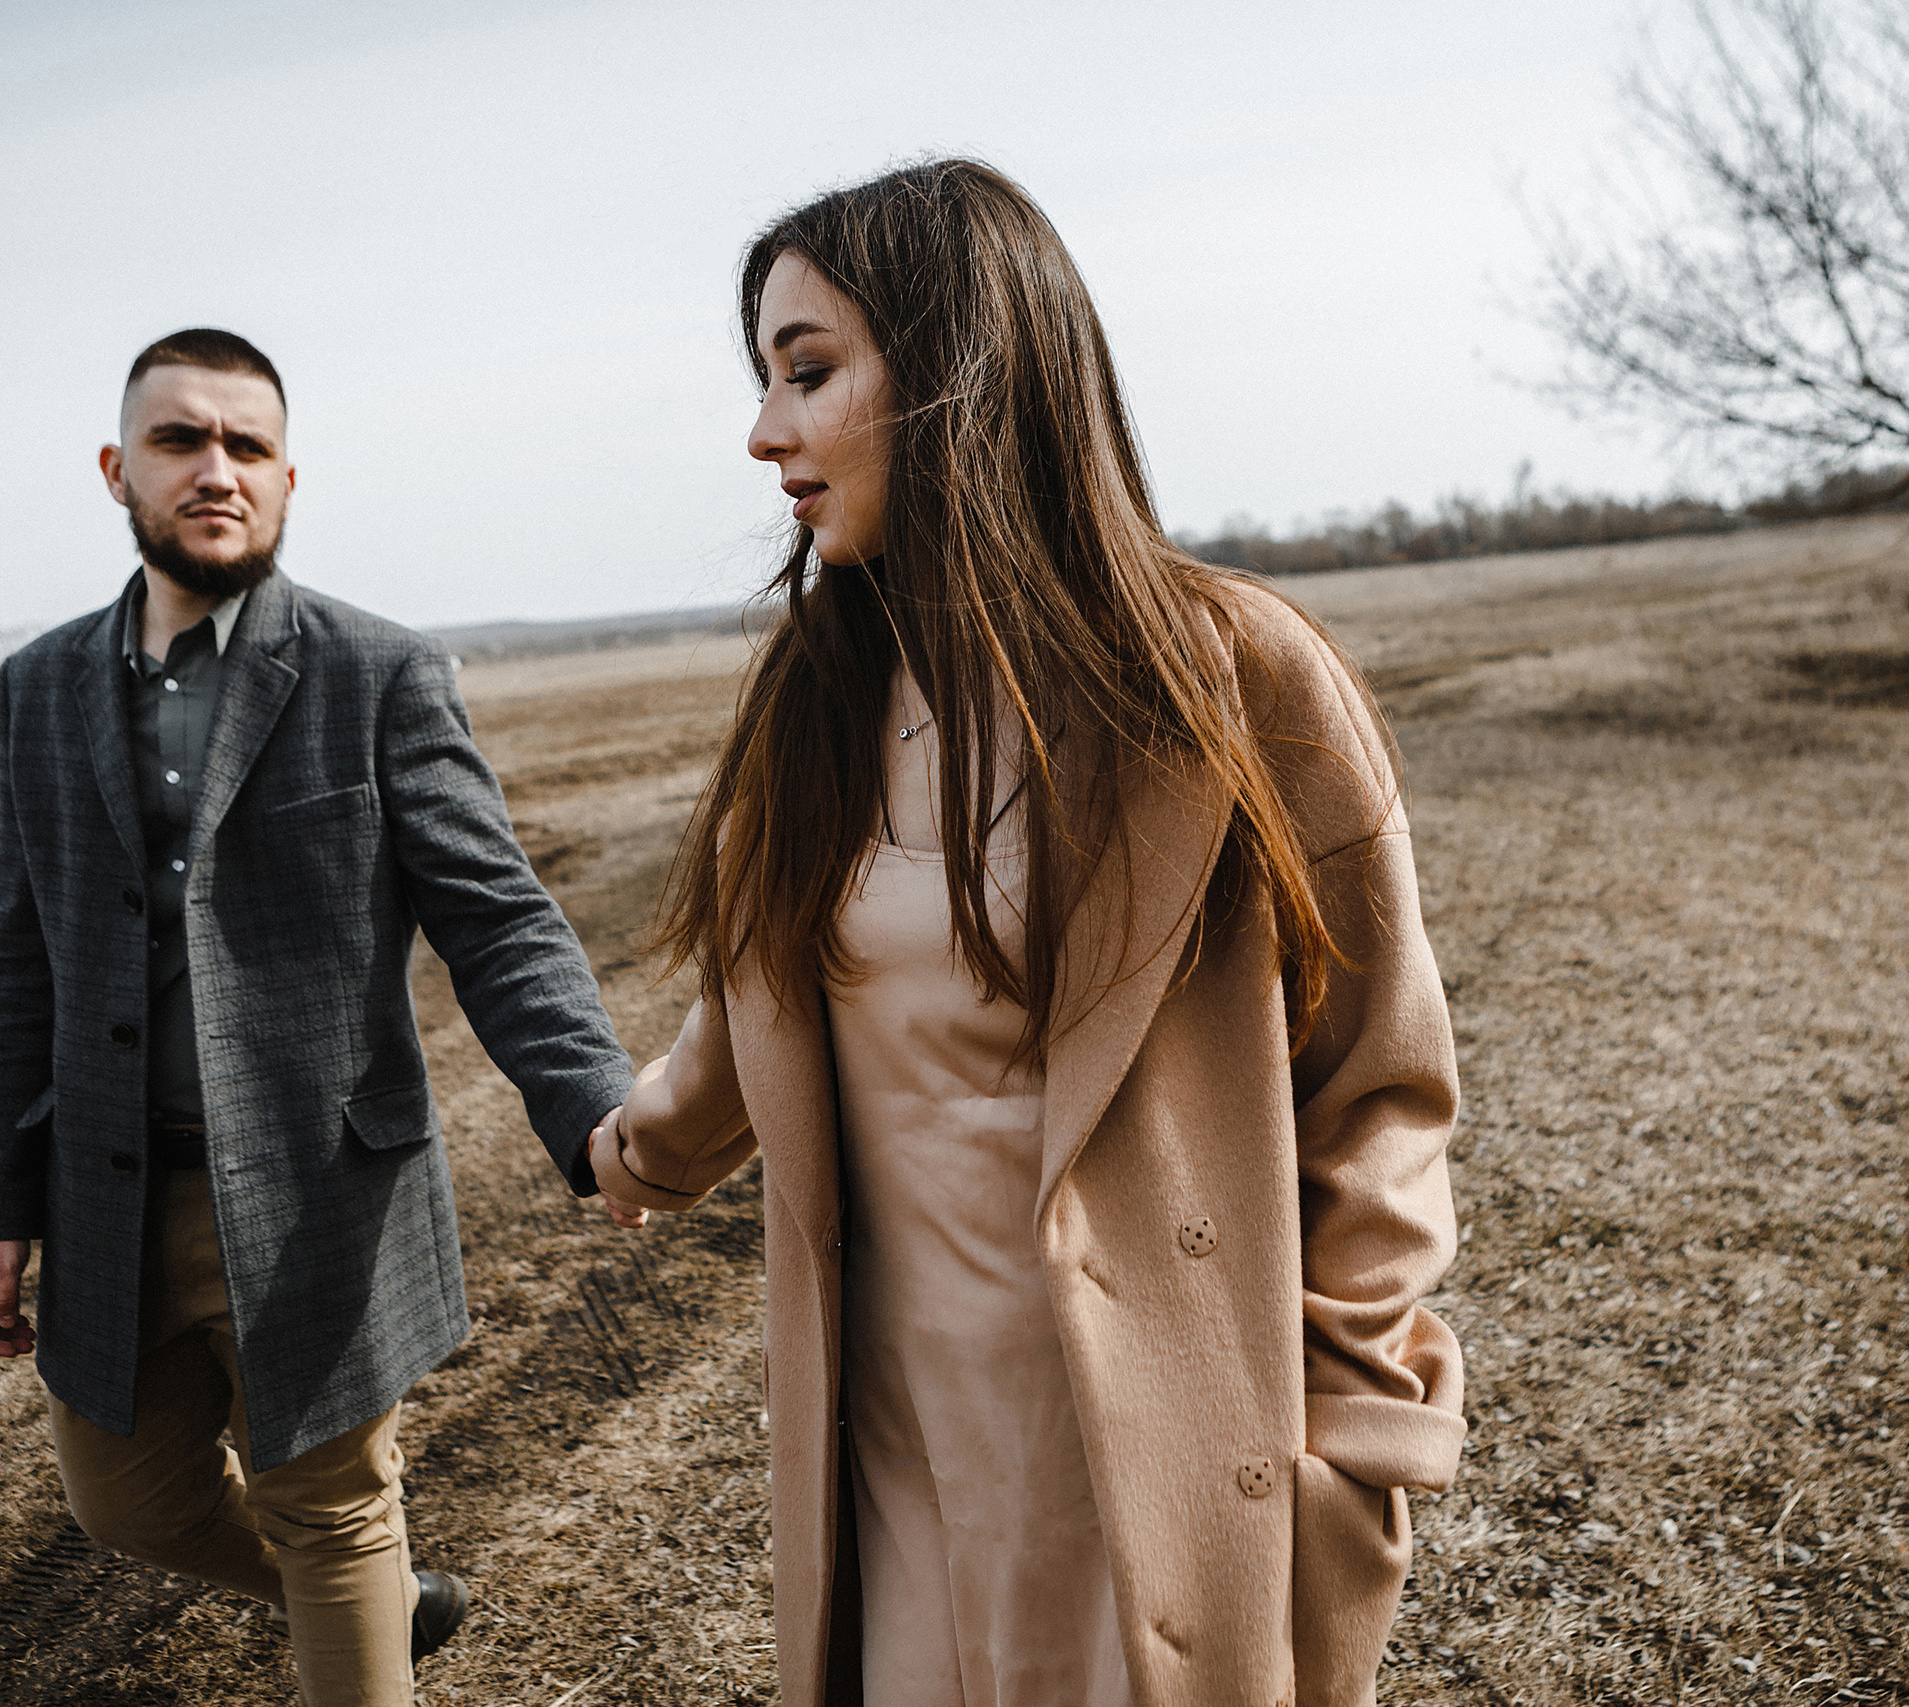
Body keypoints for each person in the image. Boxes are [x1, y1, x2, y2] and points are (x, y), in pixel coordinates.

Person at [583, 160, 1466, 1707]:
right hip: (898, 1458)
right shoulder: (813, 702)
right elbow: (762, 1010)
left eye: (808, 372)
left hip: (1160, 1469)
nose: (765, 432)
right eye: (765, 381)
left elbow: (1375, 1086)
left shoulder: (1232, 680)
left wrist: (1359, 1436)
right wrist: (633, 1149)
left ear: (962, 370)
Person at [0, 328, 634, 1706]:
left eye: (247, 446)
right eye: (180, 440)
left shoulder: (376, 672)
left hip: (318, 1191)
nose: (217, 469)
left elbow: (496, 917)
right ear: (116, 469)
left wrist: (595, 1107)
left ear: (286, 479)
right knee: (128, 1505)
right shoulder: (37, 687)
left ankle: (360, 1601)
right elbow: (23, 956)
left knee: (329, 1511)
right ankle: (388, 1607)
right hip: (107, 1193)